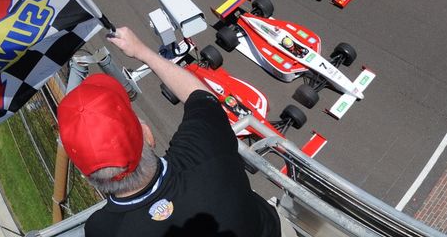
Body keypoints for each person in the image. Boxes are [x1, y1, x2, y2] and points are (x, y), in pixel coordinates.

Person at [57, 27, 281, 237]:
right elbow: (200, 96)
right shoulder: (203, 148)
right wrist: (143, 52)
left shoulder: (102, 229)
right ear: (147, 135)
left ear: (87, 175)